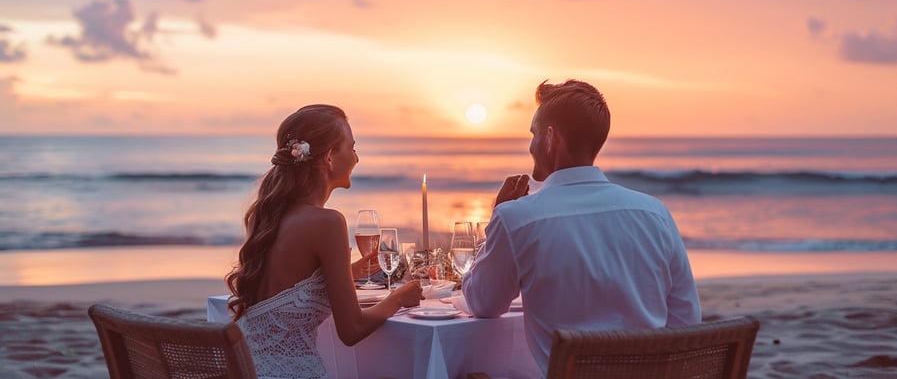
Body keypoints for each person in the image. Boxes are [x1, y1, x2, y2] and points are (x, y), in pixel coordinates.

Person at [461, 80, 701, 375]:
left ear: (551, 138)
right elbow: (686, 322)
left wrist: (495, 222)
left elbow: (483, 303)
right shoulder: (655, 214)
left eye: (534, 134)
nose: (531, 145)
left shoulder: (517, 219)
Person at [225, 104, 423, 378]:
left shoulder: (270, 216)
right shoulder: (327, 222)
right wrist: (400, 297)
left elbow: (287, 290)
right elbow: (352, 330)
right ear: (330, 157)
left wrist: (349, 271)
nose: (356, 158)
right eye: (352, 148)